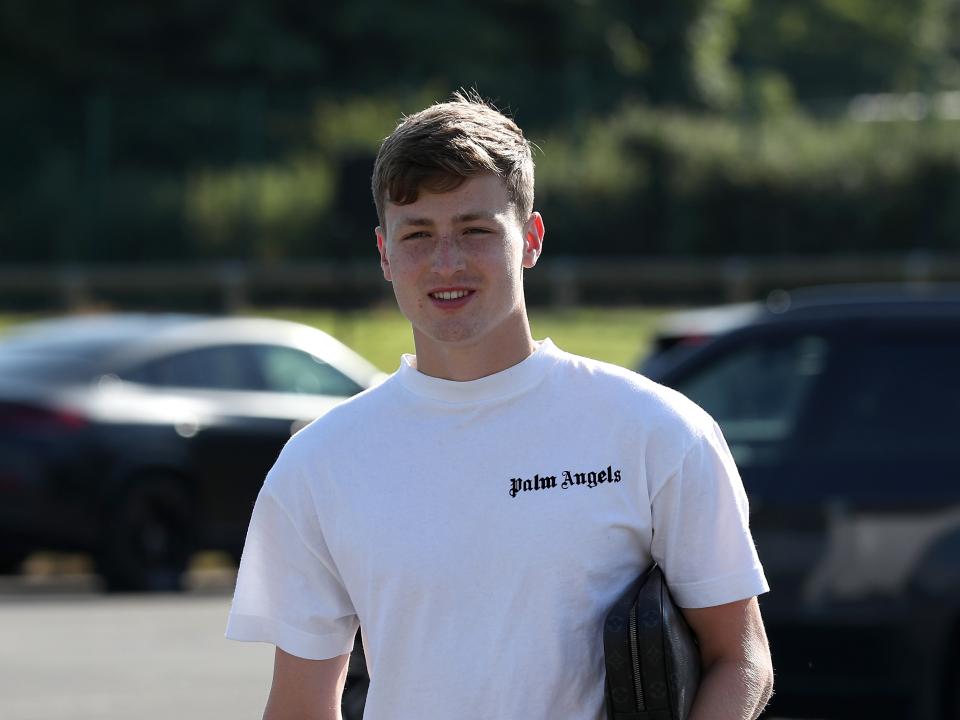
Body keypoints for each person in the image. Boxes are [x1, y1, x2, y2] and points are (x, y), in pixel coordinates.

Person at [226, 91, 774, 720]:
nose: (446, 261)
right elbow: (298, 708)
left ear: (531, 239)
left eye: (476, 230)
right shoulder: (318, 463)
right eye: (419, 234)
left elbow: (740, 657)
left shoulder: (658, 431)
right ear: (384, 253)